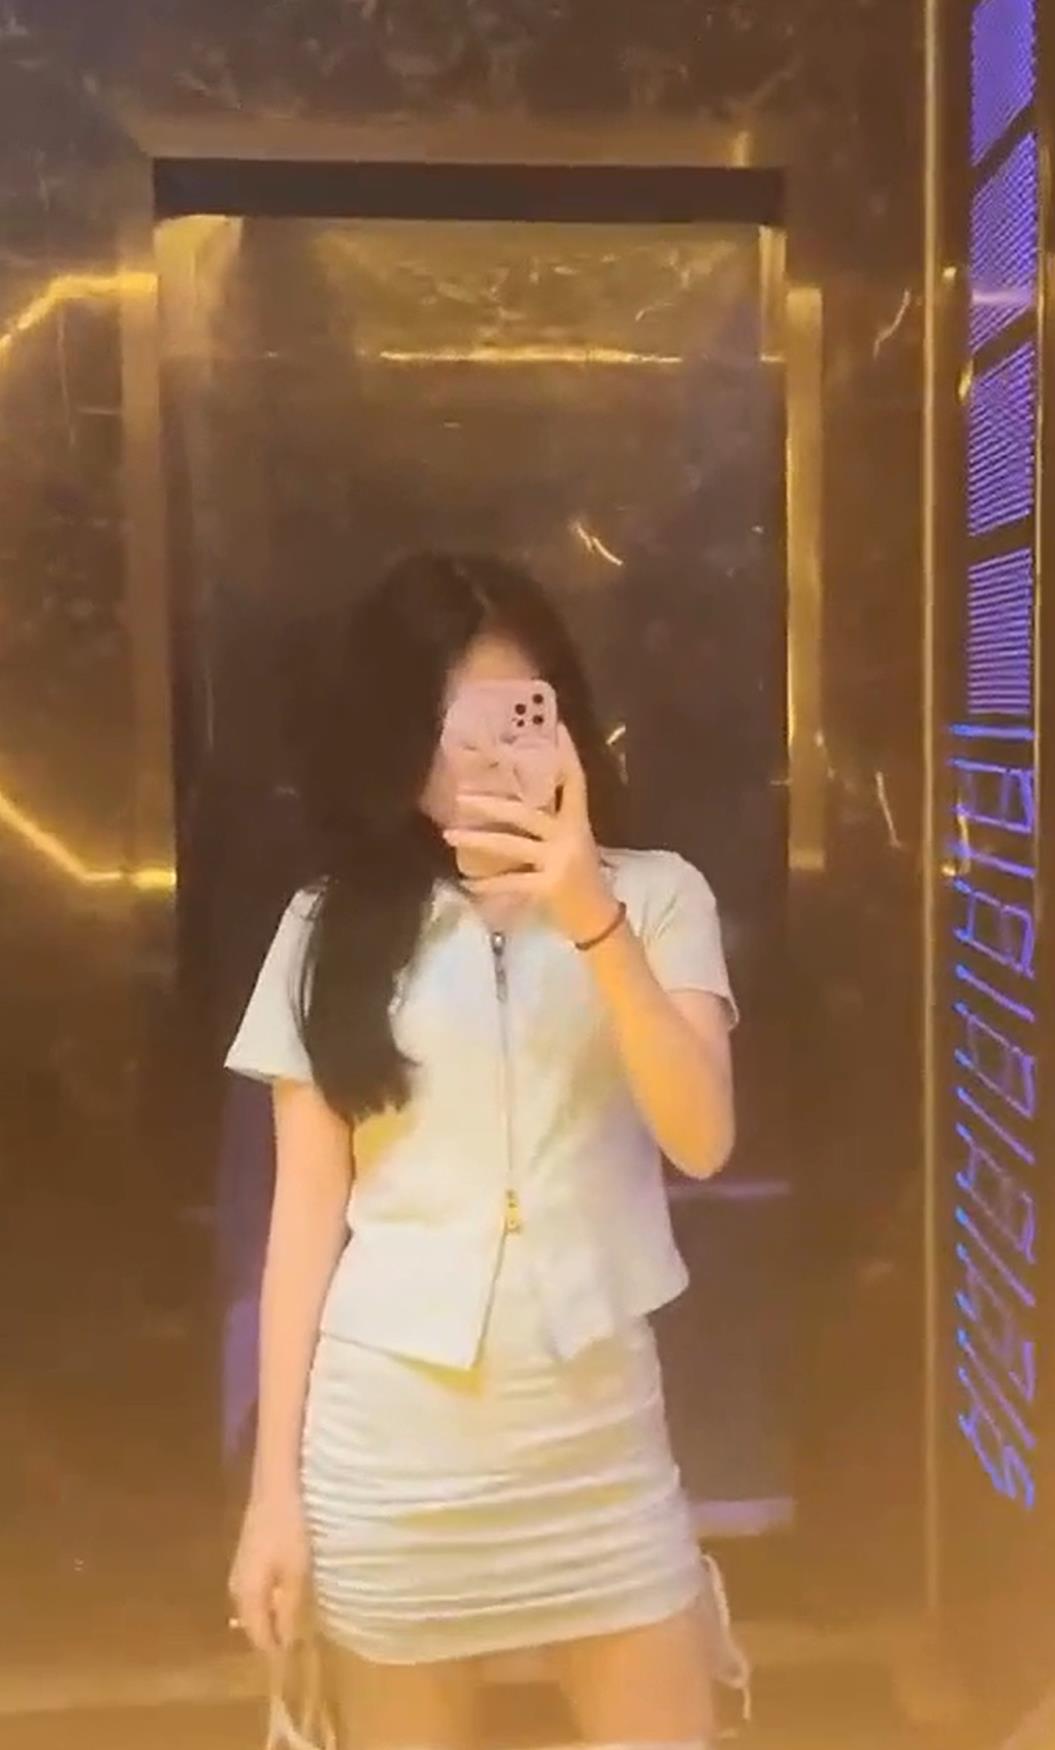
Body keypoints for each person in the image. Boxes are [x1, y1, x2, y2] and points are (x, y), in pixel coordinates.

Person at [225, 552, 749, 1749]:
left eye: (511, 719)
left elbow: (703, 1137)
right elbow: (301, 1228)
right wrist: (273, 1499)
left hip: (597, 1446)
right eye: (442, 728)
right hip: (389, 1459)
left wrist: (587, 912)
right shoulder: (326, 927)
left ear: (560, 718)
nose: (476, 761)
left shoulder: (657, 898)